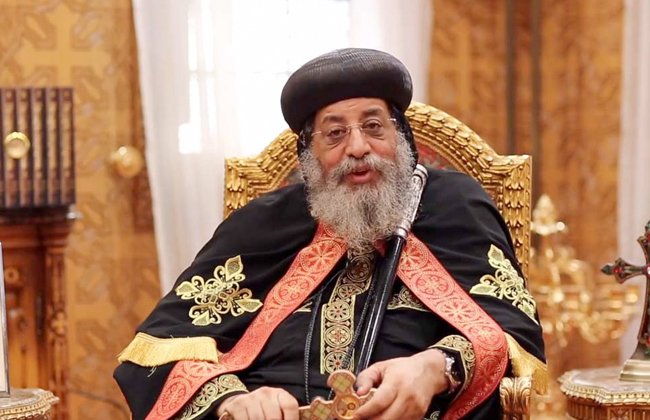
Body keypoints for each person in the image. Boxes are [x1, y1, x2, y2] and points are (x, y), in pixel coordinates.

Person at [114, 48, 546, 420]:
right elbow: (158, 348)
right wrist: (232, 399)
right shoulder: (263, 225)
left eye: (374, 127)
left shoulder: (452, 207)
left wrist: (437, 366)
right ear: (308, 155)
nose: (358, 147)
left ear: (400, 137)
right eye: (335, 133)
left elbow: (512, 334)